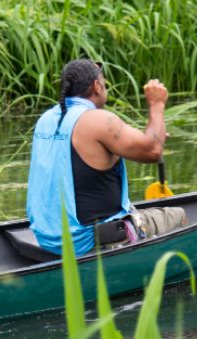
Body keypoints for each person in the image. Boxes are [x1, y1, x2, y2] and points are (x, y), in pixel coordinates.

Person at [26, 59, 187, 256]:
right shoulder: (97, 120)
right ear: (96, 86)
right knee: (179, 215)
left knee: (132, 208)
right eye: (104, 81)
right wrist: (157, 104)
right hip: (85, 240)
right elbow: (153, 151)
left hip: (49, 239)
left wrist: (147, 139)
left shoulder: (47, 118)